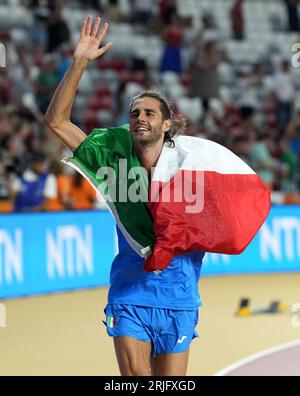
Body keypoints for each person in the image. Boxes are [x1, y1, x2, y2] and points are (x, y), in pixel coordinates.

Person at [44, 16, 205, 376]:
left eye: (149, 112)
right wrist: (80, 62)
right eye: (134, 113)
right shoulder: (112, 160)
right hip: (131, 292)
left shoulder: (191, 168)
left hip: (180, 295)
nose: (139, 117)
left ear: (167, 124)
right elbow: (56, 122)